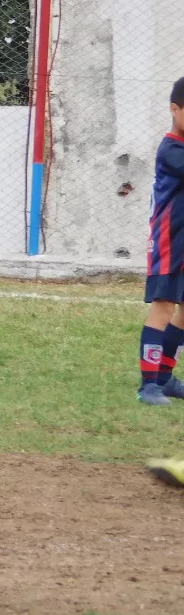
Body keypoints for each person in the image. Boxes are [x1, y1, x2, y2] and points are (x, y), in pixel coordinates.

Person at [138, 77, 184, 405]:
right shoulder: (171, 148)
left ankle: (166, 379)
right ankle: (148, 386)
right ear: (174, 109)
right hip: (169, 240)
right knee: (164, 306)